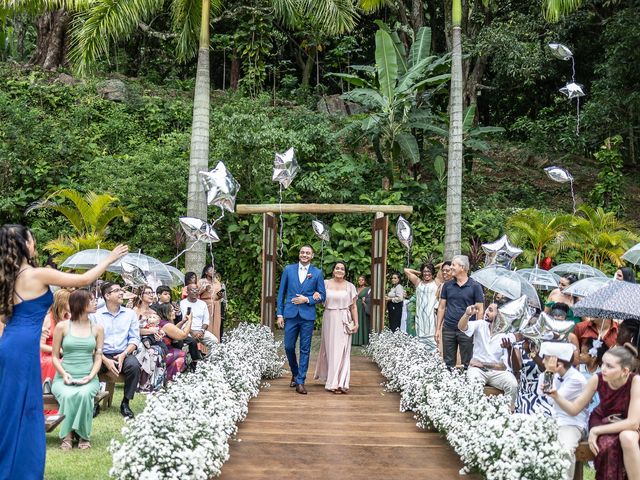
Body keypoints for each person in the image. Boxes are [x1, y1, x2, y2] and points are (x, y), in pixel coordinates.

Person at [0, 224, 127, 479]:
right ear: (24, 245)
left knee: (11, 408)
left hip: (11, 346)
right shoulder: (37, 275)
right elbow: (83, 280)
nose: (34, 243)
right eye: (32, 239)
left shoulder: (6, 278)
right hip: (24, 350)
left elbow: (3, 318)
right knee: (23, 410)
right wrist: (110, 258)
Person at [547, 344, 640, 480]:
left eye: (609, 366)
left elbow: (633, 423)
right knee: (608, 445)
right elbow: (574, 409)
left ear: (625, 371)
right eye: (603, 363)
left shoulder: (635, 381)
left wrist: (595, 432)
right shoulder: (597, 379)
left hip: (625, 423)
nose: (603, 369)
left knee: (628, 437)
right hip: (603, 420)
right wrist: (556, 396)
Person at [51, 289, 104, 450]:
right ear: (80, 304)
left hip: (89, 376)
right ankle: (67, 435)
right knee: (67, 395)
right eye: (91, 300)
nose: (95, 302)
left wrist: (91, 376)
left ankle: (82, 435)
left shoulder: (97, 328)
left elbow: (98, 356)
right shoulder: (62, 327)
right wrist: (64, 374)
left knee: (83, 394)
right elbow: (54, 356)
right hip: (63, 377)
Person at [276, 245, 326, 395]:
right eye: (302, 252)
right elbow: (281, 293)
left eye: (308, 253)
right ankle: (295, 372)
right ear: (299, 254)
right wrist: (280, 314)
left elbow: (322, 296)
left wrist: (307, 299)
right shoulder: (288, 270)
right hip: (290, 315)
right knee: (289, 346)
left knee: (305, 349)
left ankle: (301, 381)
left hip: (307, 316)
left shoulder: (317, 273)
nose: (304, 255)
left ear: (312, 256)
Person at [537, 342, 588, 480]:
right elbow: (541, 394)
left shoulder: (577, 379)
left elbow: (552, 398)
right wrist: (549, 374)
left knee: (564, 450)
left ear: (557, 364)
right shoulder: (547, 374)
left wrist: (549, 373)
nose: (542, 361)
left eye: (546, 358)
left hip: (572, 423)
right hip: (552, 419)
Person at [95, 281, 142, 418]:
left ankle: (125, 403)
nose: (122, 292)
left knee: (134, 365)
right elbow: (91, 341)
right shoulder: (96, 315)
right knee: (90, 364)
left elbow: (134, 339)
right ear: (107, 296)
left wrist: (124, 354)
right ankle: (94, 402)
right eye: (117, 290)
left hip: (124, 353)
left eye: (121, 290)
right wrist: (104, 359)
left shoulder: (130, 314)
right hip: (101, 353)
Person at [459, 303, 518, 407]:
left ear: (499, 314)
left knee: (513, 384)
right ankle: (474, 413)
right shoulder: (480, 324)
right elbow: (462, 327)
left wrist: (484, 364)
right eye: (487, 309)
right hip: (477, 370)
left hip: (497, 372)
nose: (486, 312)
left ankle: (507, 415)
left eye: (490, 310)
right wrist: (467, 315)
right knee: (473, 384)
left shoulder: (506, 334)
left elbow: (503, 366)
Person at [314, 261, 358, 394]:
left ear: (345, 272)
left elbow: (353, 306)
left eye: (342, 269)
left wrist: (356, 323)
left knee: (342, 350)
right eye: (337, 268)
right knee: (331, 350)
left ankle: (340, 382)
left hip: (344, 319)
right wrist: (315, 296)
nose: (339, 270)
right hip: (329, 318)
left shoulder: (350, 286)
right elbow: (318, 297)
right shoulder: (325, 283)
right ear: (333, 270)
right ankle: (332, 380)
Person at [436, 255, 484, 369]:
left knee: (468, 363)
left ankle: (468, 385)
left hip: (467, 330)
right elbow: (441, 307)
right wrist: (438, 329)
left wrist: (478, 331)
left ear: (462, 267)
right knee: (448, 364)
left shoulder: (475, 286)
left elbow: (480, 309)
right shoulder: (447, 285)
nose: (450, 267)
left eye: (453, 265)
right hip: (448, 329)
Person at [405, 263, 439, 352]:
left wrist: (433, 267)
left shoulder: (437, 281)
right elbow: (406, 270)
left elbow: (445, 265)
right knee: (420, 338)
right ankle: (422, 358)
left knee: (432, 337)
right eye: (424, 271)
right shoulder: (418, 282)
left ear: (432, 272)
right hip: (420, 315)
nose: (426, 273)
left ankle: (433, 356)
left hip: (432, 315)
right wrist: (420, 272)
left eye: (429, 271)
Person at [41, 289, 71, 386]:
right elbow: (40, 345)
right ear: (62, 302)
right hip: (47, 355)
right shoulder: (48, 319)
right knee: (56, 362)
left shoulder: (69, 318)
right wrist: (59, 350)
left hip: (65, 354)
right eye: (70, 301)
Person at [180, 285, 218, 359]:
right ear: (187, 292)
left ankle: (206, 361)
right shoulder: (182, 303)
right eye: (192, 290)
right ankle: (190, 363)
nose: (195, 292)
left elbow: (206, 320)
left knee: (215, 342)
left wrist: (202, 331)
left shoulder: (202, 304)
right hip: (187, 331)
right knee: (187, 346)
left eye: (196, 290)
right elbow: (183, 321)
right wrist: (192, 332)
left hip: (201, 331)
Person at [155, 303, 191, 380]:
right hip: (163, 354)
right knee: (181, 354)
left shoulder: (163, 322)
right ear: (165, 313)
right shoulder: (166, 324)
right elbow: (183, 335)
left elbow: (174, 329)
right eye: (171, 310)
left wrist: (183, 321)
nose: (174, 311)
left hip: (163, 351)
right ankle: (170, 378)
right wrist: (190, 320)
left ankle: (168, 378)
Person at [198, 265, 224, 341]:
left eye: (214, 270)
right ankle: (204, 348)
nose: (213, 272)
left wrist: (220, 295)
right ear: (206, 272)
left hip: (216, 305)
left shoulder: (217, 282)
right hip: (206, 304)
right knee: (207, 324)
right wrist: (204, 289)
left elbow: (217, 295)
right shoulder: (201, 281)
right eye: (211, 270)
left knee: (216, 324)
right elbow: (196, 293)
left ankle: (216, 344)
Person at [352, 275, 370, 347]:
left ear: (365, 281)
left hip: (363, 307)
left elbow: (370, 297)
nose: (360, 281)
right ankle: (355, 340)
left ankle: (363, 340)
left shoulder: (368, 289)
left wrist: (365, 300)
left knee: (362, 322)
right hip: (355, 306)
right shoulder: (355, 289)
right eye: (359, 280)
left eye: (362, 280)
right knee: (355, 321)